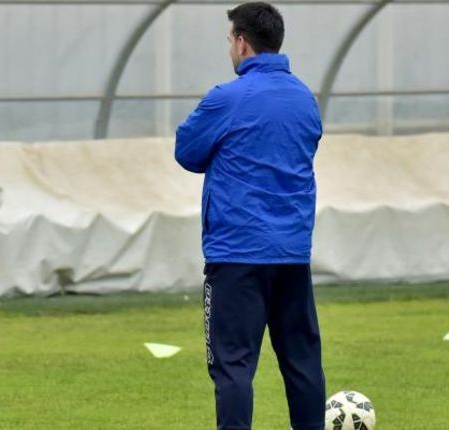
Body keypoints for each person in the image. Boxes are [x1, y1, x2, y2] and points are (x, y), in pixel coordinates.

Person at [174, 3, 325, 430]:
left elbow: (186, 151)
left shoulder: (226, 98)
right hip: (293, 253)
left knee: (233, 367)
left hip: (237, 254)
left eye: (229, 40)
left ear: (242, 42)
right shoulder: (304, 98)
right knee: (302, 363)